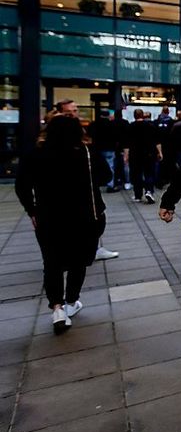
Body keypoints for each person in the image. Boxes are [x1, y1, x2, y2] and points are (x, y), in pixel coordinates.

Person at [16, 115, 111, 334]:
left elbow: (22, 185)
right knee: (79, 261)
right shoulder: (86, 153)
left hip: (49, 217)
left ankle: (57, 308)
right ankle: (71, 301)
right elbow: (106, 176)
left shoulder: (36, 154)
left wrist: (32, 209)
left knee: (52, 262)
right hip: (84, 216)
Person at [125, 108, 160, 203]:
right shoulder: (150, 126)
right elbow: (157, 141)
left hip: (135, 154)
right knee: (149, 173)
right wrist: (160, 152)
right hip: (149, 153)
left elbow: (127, 143)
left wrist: (126, 156)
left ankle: (138, 195)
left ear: (134, 115)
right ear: (143, 115)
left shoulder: (130, 127)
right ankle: (149, 191)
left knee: (136, 174)